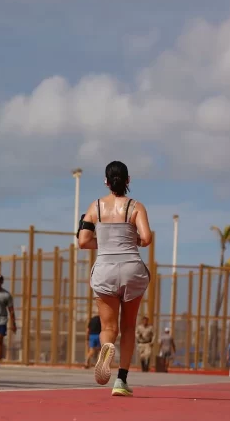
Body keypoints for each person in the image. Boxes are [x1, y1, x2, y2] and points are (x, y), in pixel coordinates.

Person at [78, 160, 152, 397]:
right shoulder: (135, 206)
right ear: (128, 180)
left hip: (105, 269)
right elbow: (146, 238)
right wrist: (132, 241)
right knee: (129, 326)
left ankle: (107, 348)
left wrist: (106, 242)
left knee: (109, 327)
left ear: (106, 181)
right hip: (131, 269)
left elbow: (83, 241)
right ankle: (121, 380)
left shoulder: (95, 207)